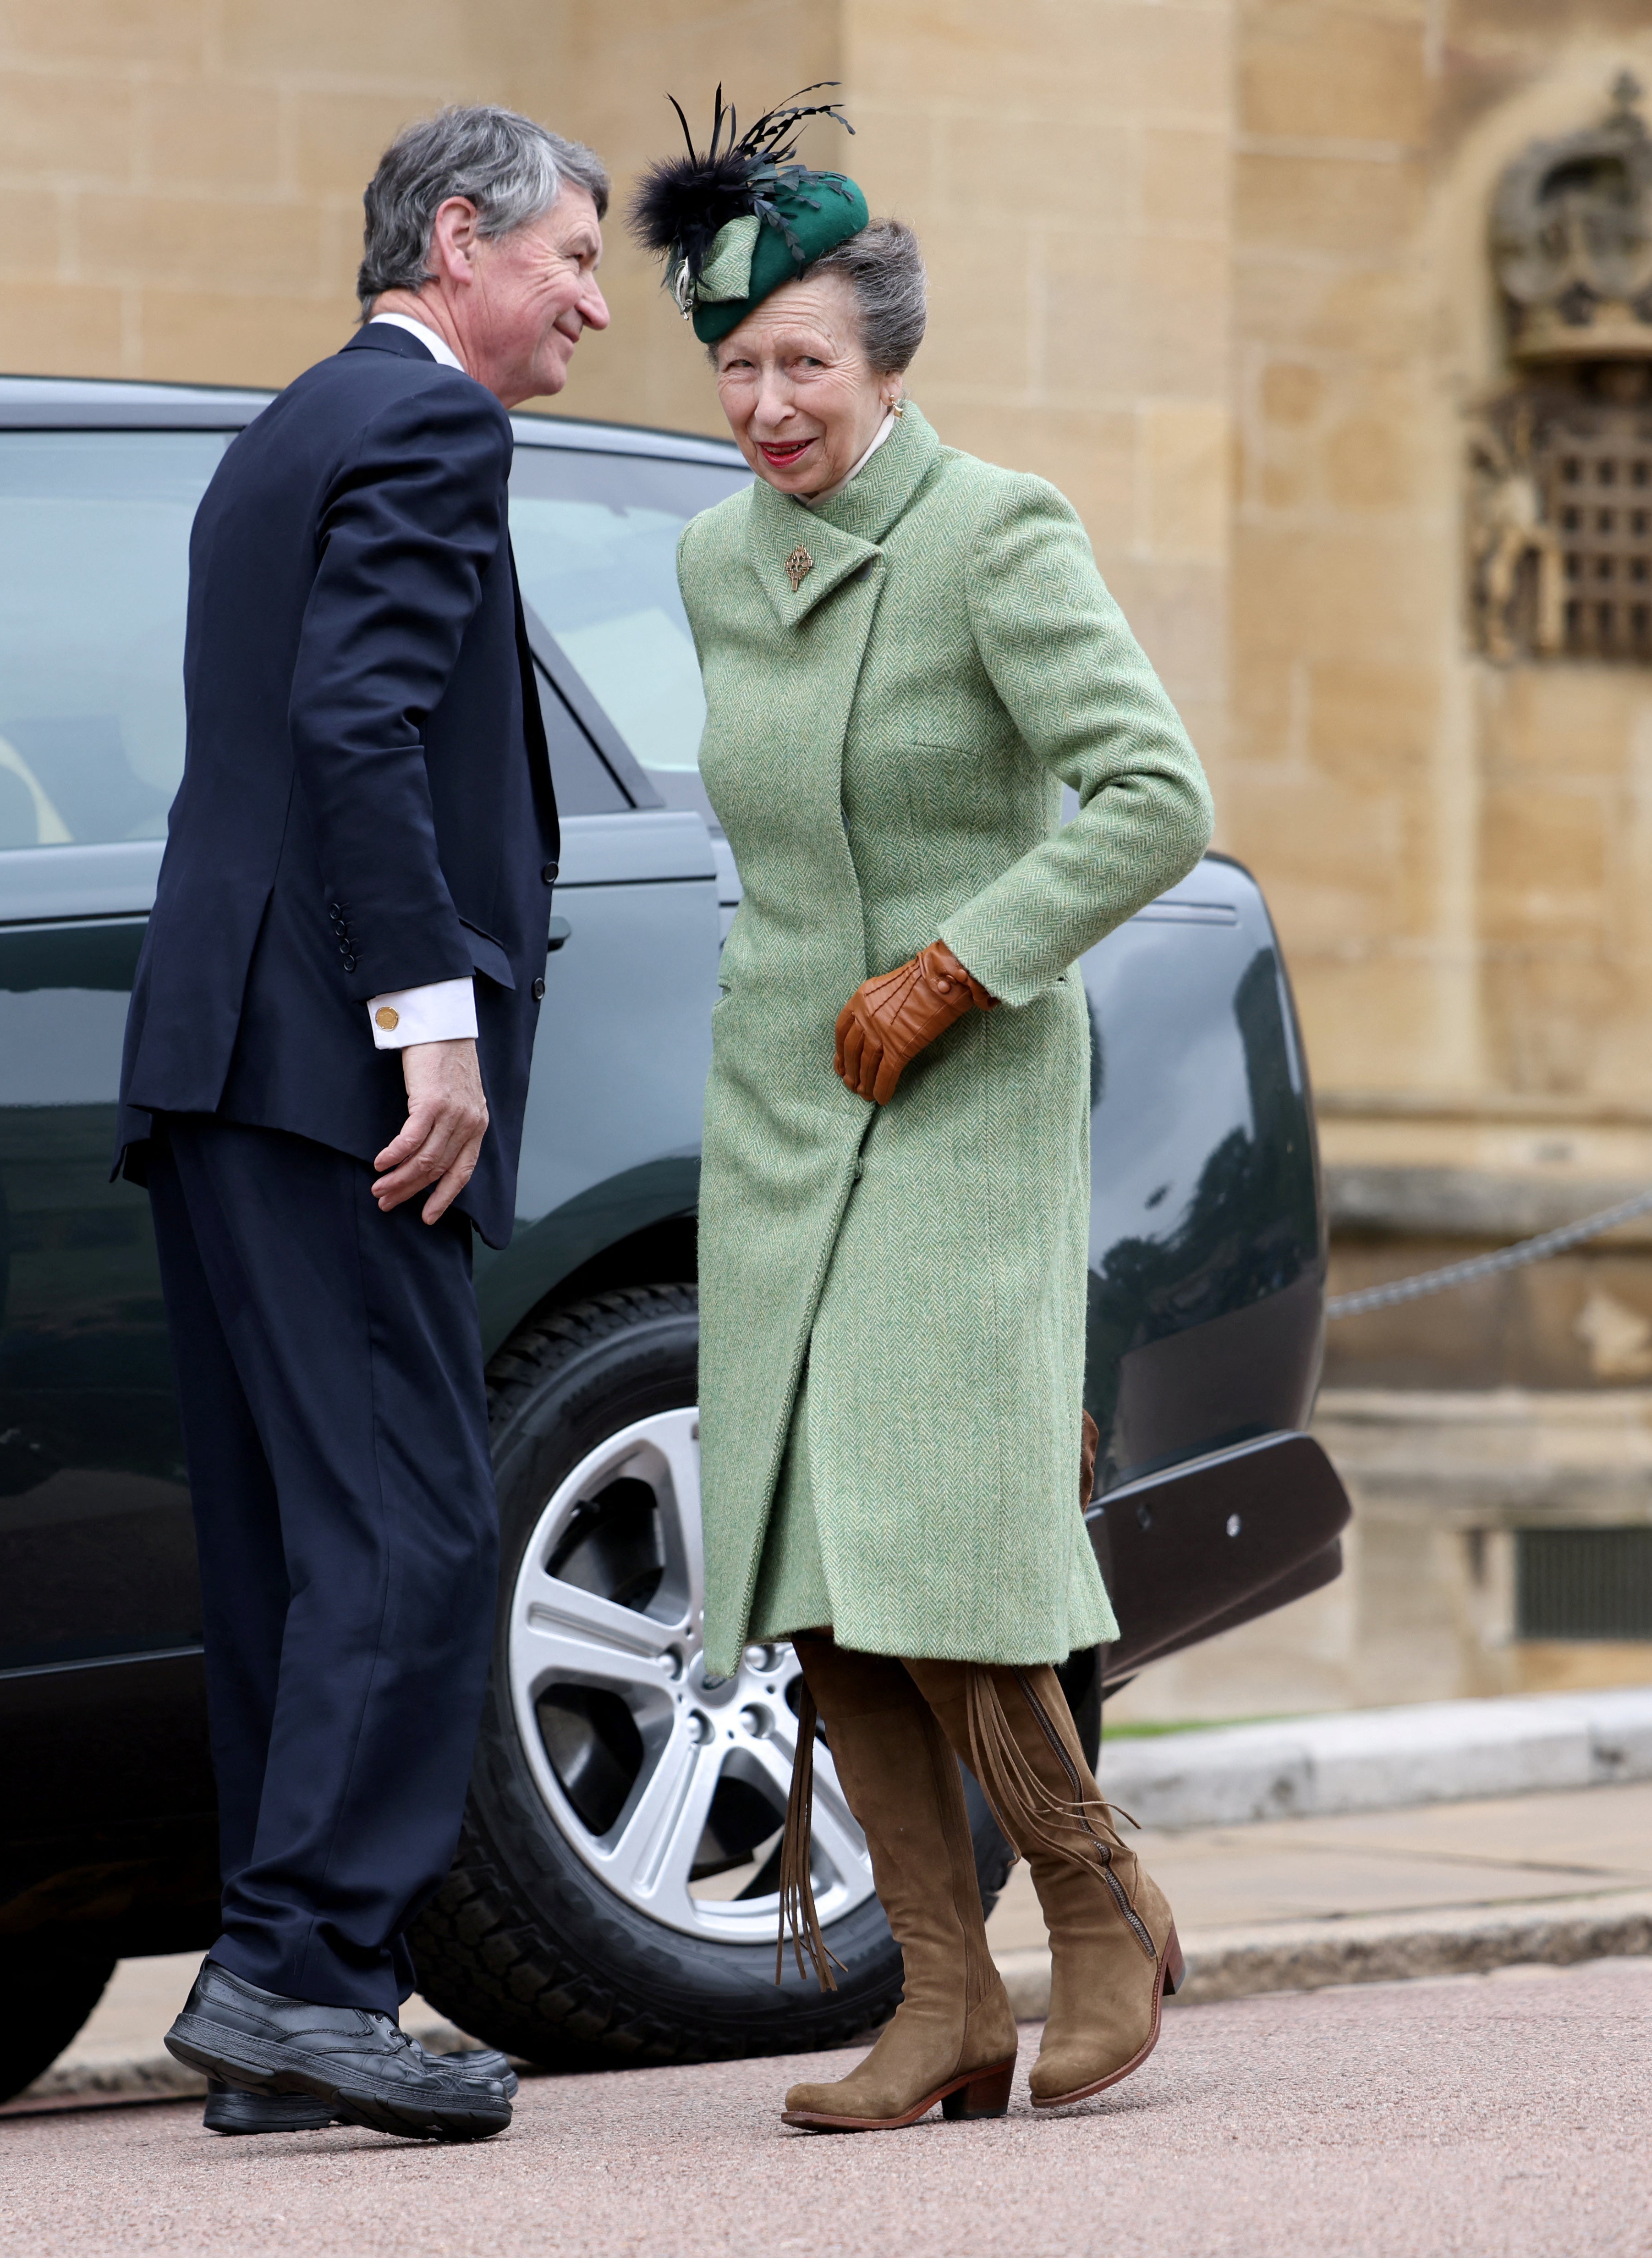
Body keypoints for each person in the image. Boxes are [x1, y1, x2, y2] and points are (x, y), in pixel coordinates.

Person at [634, 90, 1217, 2131]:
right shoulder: (715, 559)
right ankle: (942, 1993)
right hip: (784, 1101)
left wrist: (958, 963)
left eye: (802, 363)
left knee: (943, 1522)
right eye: (736, 367)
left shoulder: (996, 532)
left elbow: (1153, 799)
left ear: (884, 367)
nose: (765, 402)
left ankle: (1088, 1895)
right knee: (810, 1548)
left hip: (962, 1085)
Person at [120, 102, 609, 2145]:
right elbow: (356, 725)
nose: (593, 297)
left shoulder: (285, 424)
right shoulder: (431, 429)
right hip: (338, 1069)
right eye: (570, 255)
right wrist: (432, 1029)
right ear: (456, 238)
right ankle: (304, 1969)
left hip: (219, 1060)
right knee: (413, 1519)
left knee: (296, 1539)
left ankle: (279, 1993)